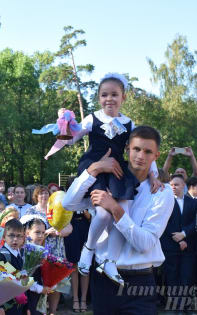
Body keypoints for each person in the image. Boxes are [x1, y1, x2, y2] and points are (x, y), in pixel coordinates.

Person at [58, 74, 161, 284]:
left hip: (116, 171)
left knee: (121, 213)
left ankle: (110, 260)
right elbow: (70, 141)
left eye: (114, 94)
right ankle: (88, 249)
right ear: (98, 98)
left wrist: (154, 176)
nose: (109, 99)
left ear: (123, 97)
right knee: (104, 216)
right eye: (104, 95)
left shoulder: (129, 123)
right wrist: (64, 124)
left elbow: (143, 149)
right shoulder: (91, 118)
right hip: (95, 166)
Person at [63, 126, 174, 315]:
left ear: (156, 155)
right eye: (136, 149)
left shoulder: (162, 192)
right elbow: (69, 203)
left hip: (140, 283)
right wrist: (94, 169)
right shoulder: (107, 180)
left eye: (148, 151)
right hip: (103, 282)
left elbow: (145, 244)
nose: (141, 156)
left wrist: (115, 208)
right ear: (127, 149)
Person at [24, 185, 72, 315]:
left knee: (56, 282)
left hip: (56, 249)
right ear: (36, 196)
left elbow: (69, 228)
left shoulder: (56, 209)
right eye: (41, 194)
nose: (44, 196)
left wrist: (57, 231)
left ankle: (53, 311)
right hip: (37, 251)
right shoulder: (30, 211)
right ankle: (40, 310)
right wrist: (43, 232)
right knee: (39, 280)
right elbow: (26, 230)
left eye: (46, 193)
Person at [160, 175, 197, 307]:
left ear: (183, 186)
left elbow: (196, 222)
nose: (173, 187)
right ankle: (176, 306)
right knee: (172, 276)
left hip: (188, 246)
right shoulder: (165, 202)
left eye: (176, 184)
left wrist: (184, 234)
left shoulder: (193, 202)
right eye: (171, 185)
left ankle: (186, 305)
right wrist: (178, 239)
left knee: (187, 276)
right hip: (170, 246)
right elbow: (163, 223)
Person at [63, 176, 91, 313]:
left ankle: (84, 299)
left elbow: (95, 218)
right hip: (72, 230)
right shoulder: (66, 199)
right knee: (74, 264)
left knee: (85, 265)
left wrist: (86, 213)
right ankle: (75, 299)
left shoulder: (88, 197)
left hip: (86, 229)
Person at [21, 217, 53, 315]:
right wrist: (39, 288)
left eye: (43, 233)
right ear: (27, 233)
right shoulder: (25, 251)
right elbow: (24, 277)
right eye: (37, 232)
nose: (40, 236)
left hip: (39, 291)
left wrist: (50, 283)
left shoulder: (43, 250)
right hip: (28, 292)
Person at [0, 219, 26, 315]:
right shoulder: (2, 255)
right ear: (4, 237)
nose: (15, 239)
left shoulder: (21, 254)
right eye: (11, 235)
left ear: (23, 238)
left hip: (19, 301)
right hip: (7, 303)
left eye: (19, 236)